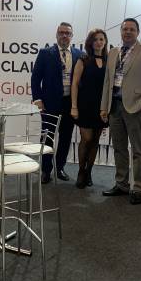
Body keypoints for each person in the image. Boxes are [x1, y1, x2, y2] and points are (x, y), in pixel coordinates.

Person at [100, 18, 141, 205]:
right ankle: (122, 184)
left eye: (131, 29)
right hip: (115, 107)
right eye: (125, 29)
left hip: (135, 107)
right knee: (119, 148)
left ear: (138, 32)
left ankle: (140, 188)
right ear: (120, 31)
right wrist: (104, 107)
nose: (127, 32)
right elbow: (108, 82)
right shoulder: (113, 52)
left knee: (138, 150)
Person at [31, 22, 81, 184]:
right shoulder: (45, 53)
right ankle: (46, 170)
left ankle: (60, 168)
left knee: (66, 137)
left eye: (67, 33)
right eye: (61, 32)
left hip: (70, 103)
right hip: (49, 103)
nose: (64, 36)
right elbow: (35, 78)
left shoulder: (79, 55)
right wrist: (38, 100)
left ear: (72, 36)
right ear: (56, 34)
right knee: (47, 136)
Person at [70, 28, 108, 189]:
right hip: (84, 105)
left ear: (105, 42)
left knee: (95, 141)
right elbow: (75, 84)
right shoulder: (83, 60)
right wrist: (74, 106)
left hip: (102, 107)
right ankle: (81, 172)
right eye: (95, 39)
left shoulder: (109, 61)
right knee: (86, 139)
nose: (98, 42)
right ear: (90, 43)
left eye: (101, 39)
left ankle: (89, 172)